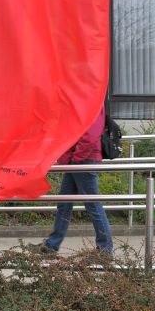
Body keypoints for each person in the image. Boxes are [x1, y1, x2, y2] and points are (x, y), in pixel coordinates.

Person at [29, 107, 113, 257]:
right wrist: (70, 159)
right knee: (65, 203)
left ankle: (105, 250)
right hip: (77, 159)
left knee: (92, 204)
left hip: (83, 160)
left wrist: (75, 158)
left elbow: (90, 135)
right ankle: (51, 245)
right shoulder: (81, 100)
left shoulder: (93, 99)